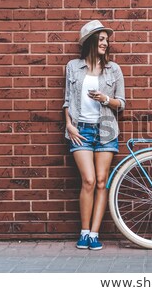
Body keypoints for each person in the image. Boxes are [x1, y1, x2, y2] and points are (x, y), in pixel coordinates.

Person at [63, 20, 126, 250]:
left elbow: (122, 104)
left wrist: (105, 99)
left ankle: (94, 234)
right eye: (101, 39)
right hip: (81, 131)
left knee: (101, 182)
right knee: (88, 180)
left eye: (106, 40)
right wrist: (69, 125)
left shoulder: (114, 69)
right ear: (90, 41)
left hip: (106, 131)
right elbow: (68, 100)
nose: (105, 43)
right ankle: (84, 230)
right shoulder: (73, 67)